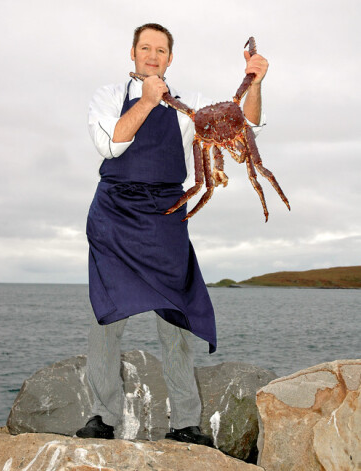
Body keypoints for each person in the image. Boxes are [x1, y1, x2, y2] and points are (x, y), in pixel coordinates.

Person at [76, 23, 268, 445]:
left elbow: (247, 119)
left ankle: (185, 423)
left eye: (160, 50)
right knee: (105, 316)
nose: (152, 56)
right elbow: (110, 144)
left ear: (170, 58)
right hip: (114, 213)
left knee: (176, 320)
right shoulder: (107, 97)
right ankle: (102, 416)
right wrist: (146, 102)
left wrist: (254, 82)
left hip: (166, 213)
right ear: (133, 53)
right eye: (145, 48)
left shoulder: (189, 107)